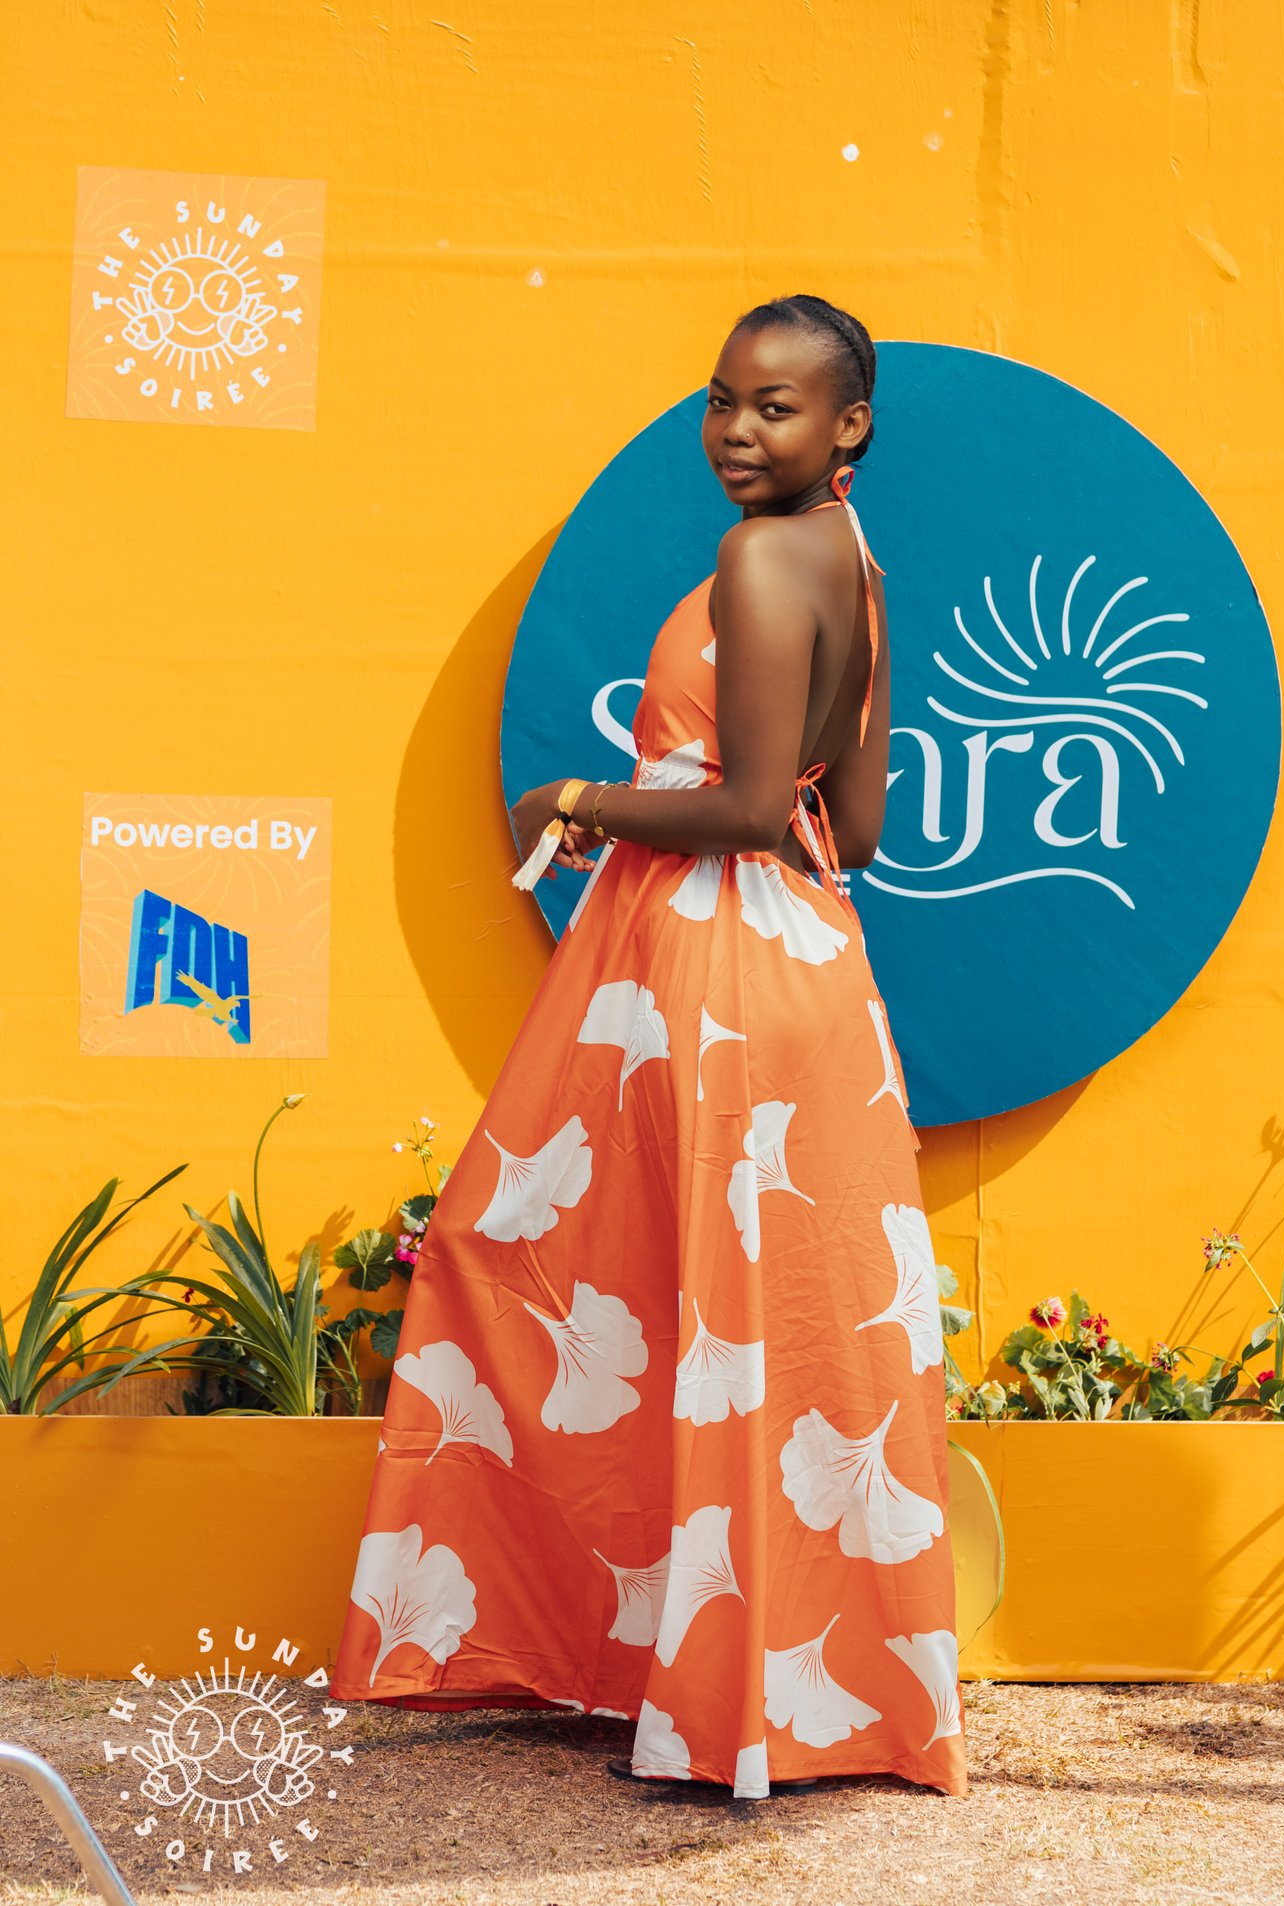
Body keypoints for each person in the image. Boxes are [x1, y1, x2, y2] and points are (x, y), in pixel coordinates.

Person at [328, 294, 968, 1802]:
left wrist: (578, 800)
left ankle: (620, 1661)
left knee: (543, 1268)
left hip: (704, 969)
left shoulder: (757, 560)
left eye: (776, 408)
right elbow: (854, 827)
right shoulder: (860, 565)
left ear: (850, 425)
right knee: (753, 1327)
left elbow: (743, 810)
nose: (737, 432)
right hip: (812, 972)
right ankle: (762, 1695)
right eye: (722, 400)